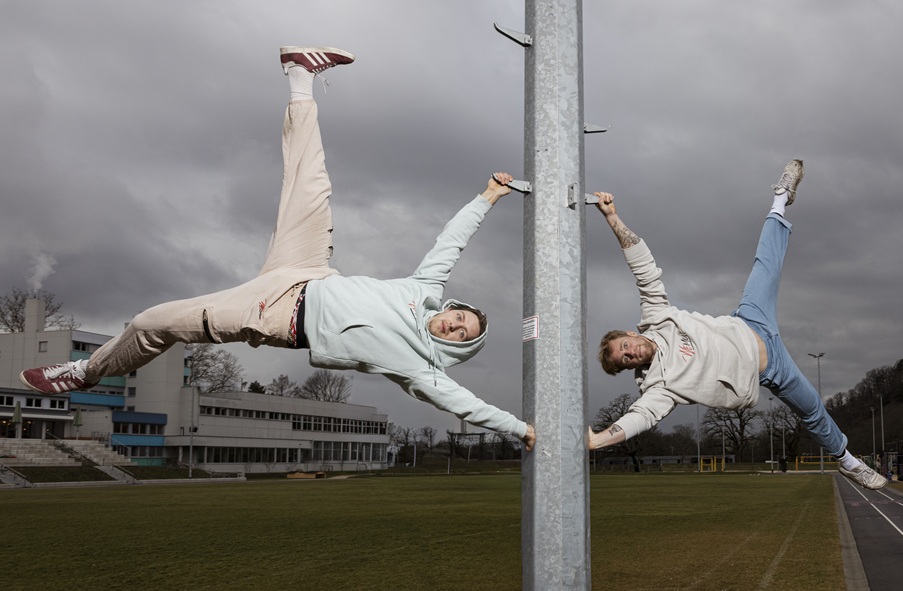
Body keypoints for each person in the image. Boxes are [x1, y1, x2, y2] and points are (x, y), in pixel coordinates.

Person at [20, 46, 535, 450]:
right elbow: (451, 244)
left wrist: (519, 428)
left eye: (460, 333)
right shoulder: (423, 291)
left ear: (456, 346)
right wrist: (487, 197)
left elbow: (466, 405)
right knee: (310, 182)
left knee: (152, 321)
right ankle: (301, 75)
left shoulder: (422, 368)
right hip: (309, 268)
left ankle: (84, 371)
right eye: (458, 317)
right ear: (452, 309)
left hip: (274, 316)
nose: (452, 324)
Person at [587, 159, 884, 488]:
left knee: (766, 262)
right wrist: (599, 440)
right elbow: (640, 418)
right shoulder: (659, 387)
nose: (630, 353)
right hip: (769, 368)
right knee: (812, 408)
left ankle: (782, 196)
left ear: (630, 334)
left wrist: (612, 218)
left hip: (751, 320)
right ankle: (849, 462)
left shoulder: (657, 316)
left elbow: (644, 269)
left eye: (624, 346)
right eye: (624, 359)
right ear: (629, 368)